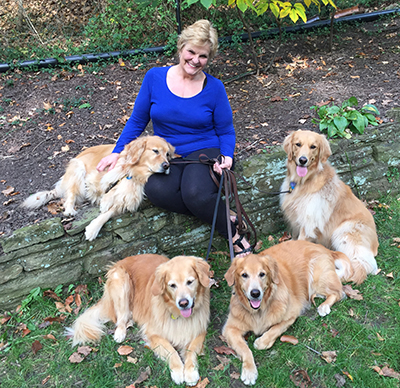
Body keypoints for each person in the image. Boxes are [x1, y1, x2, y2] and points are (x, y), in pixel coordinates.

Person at [97, 19, 252, 257]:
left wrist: (227, 156)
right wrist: (117, 151)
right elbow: (137, 121)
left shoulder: (215, 88)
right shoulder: (154, 78)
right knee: (158, 191)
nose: (195, 60)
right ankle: (219, 211)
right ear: (180, 48)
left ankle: (233, 232)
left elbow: (226, 130)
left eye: (203, 56)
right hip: (168, 153)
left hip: (205, 150)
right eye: (191, 52)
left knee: (195, 194)